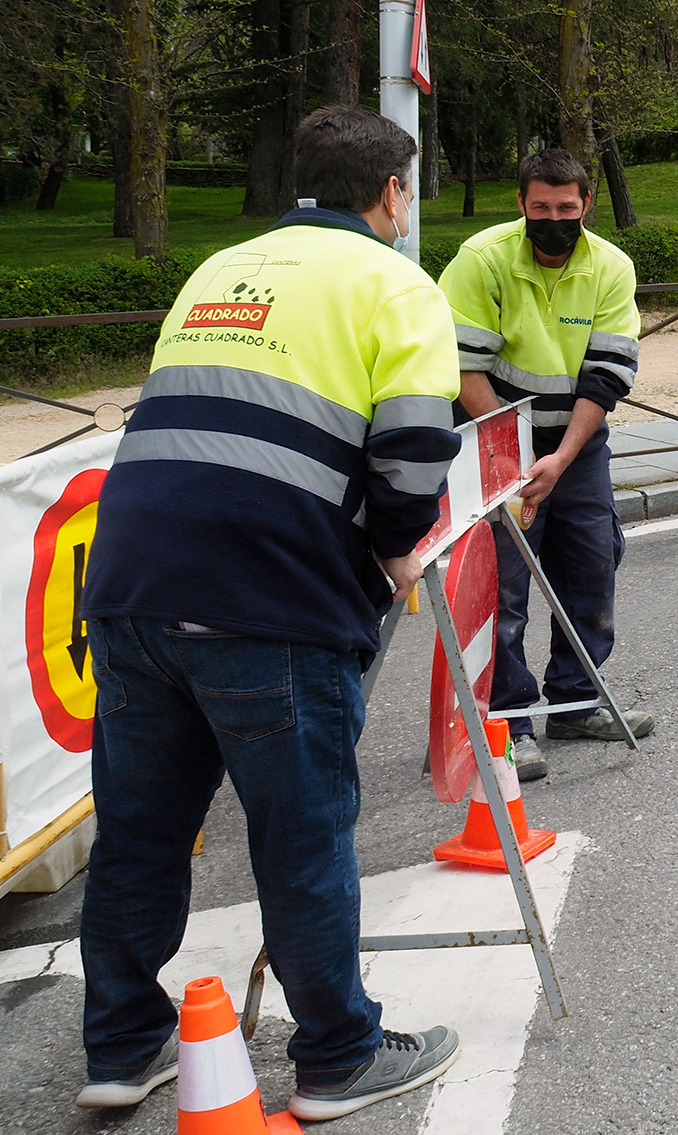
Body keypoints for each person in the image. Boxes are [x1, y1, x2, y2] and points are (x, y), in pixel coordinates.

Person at [77, 105, 462, 1121]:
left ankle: (122, 1044)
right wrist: (393, 553)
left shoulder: (220, 269)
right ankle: (339, 1051)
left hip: (131, 586)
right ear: (391, 193)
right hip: (272, 596)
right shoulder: (396, 283)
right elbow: (416, 453)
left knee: (140, 830)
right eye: (406, 191)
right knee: (302, 836)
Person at [439, 148, 652, 783]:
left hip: (576, 447)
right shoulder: (482, 260)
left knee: (590, 565)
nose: (554, 218)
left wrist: (561, 456)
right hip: (494, 441)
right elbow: (462, 365)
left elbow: (608, 374)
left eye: (566, 207)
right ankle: (508, 722)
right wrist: (515, 454)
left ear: (587, 205)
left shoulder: (610, 266)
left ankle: (576, 703)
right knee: (502, 583)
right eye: (540, 208)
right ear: (521, 205)